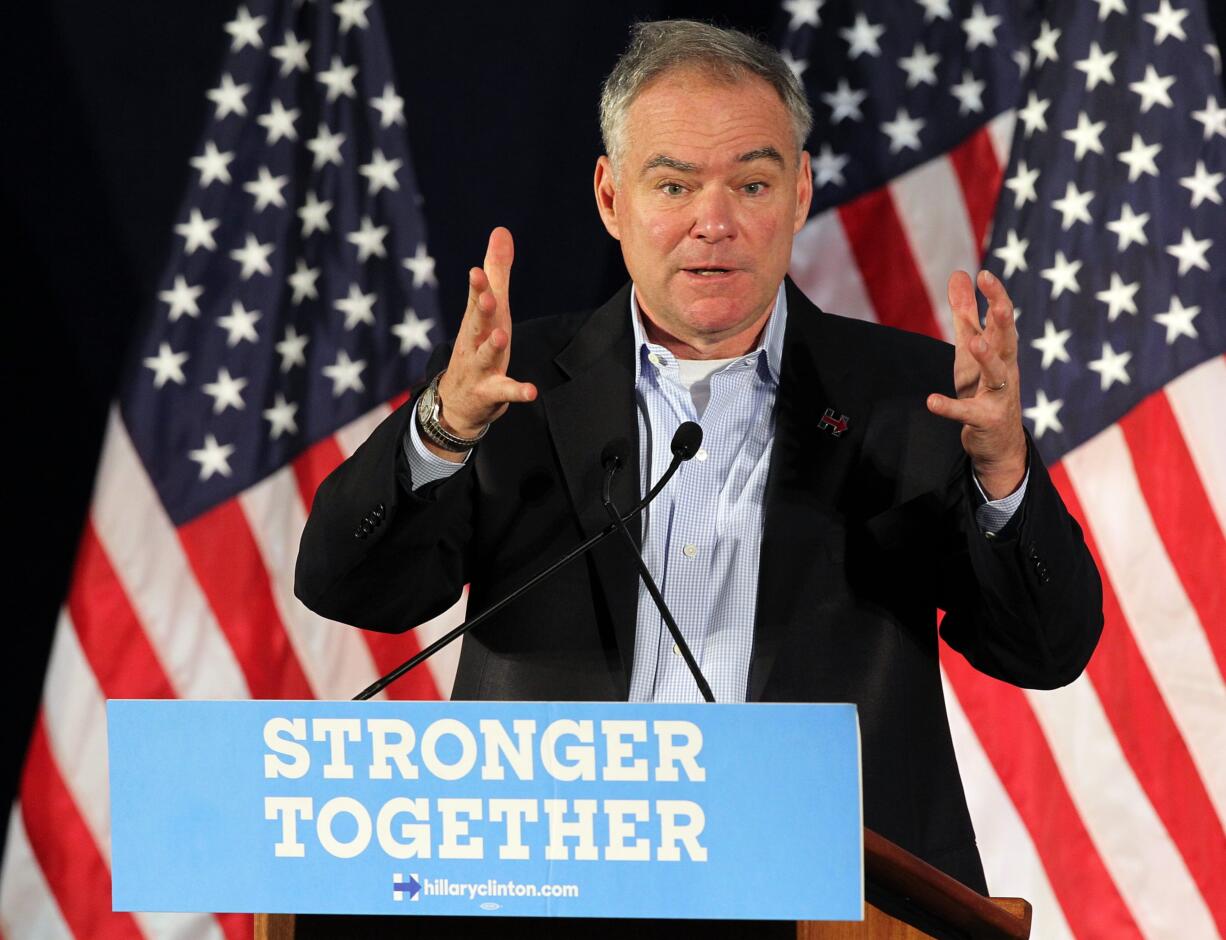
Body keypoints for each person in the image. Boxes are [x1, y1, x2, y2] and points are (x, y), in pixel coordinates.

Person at [296, 19, 1102, 902]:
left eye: (751, 183)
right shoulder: (509, 389)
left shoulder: (916, 400)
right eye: (673, 184)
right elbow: (348, 588)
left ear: (798, 195)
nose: (711, 223)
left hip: (832, 901)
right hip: (545, 896)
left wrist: (1002, 473)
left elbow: (1046, 647)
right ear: (611, 198)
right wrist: (442, 431)